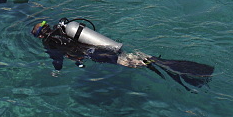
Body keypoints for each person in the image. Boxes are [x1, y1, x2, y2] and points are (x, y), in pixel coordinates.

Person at [31, 17, 214, 90]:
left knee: (143, 63)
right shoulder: (63, 30)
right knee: (139, 59)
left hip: (95, 54)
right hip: (102, 48)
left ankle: (190, 72)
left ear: (41, 36)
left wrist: (56, 71)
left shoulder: (50, 42)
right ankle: (179, 69)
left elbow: (57, 60)